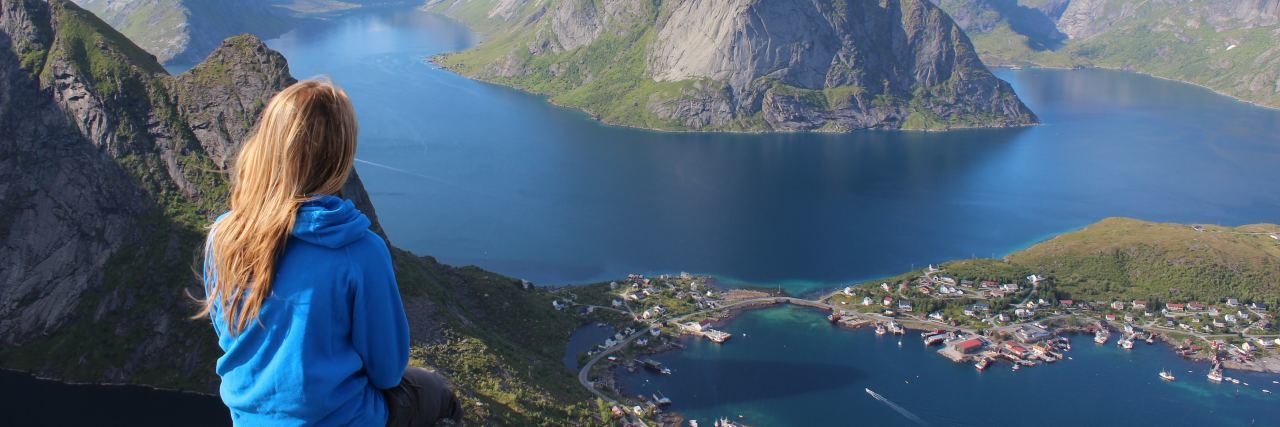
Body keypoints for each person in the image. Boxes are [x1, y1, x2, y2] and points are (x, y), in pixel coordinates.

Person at [197, 79, 461, 426]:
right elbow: (387, 372)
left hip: (249, 419)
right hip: (343, 419)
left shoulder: (225, 234)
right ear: (339, 156)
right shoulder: (359, 251)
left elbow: (228, 331)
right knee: (436, 393)